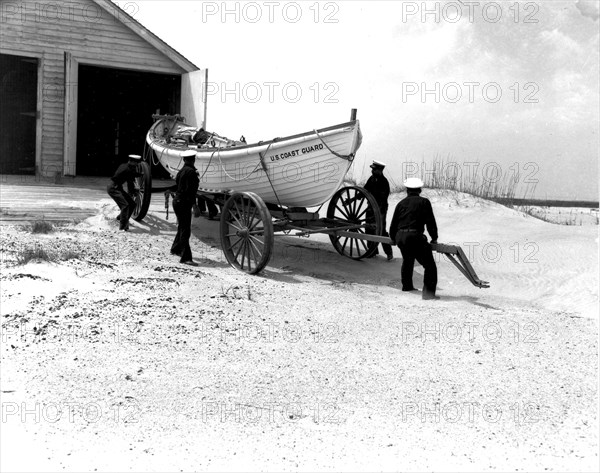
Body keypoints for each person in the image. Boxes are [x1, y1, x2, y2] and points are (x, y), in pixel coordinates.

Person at [389, 177, 439, 300]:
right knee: (429, 265)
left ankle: (407, 286)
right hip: (414, 236)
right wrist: (434, 238)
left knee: (408, 260)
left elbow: (393, 224)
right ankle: (428, 294)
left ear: (407, 190)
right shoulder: (424, 202)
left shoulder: (401, 204)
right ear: (419, 190)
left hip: (401, 237)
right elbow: (430, 222)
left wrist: (393, 238)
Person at [171, 150, 200, 265]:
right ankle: (186, 258)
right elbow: (191, 191)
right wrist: (195, 206)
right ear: (194, 159)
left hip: (177, 201)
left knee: (182, 227)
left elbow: (178, 185)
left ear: (184, 160)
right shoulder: (192, 173)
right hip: (184, 202)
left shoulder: (181, 171)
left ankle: (176, 248)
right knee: (185, 230)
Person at [364, 160, 394, 261]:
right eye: (372, 169)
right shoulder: (371, 179)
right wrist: (354, 199)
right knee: (368, 228)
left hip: (380, 208)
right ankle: (372, 251)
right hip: (370, 208)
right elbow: (365, 191)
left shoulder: (384, 182)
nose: (372, 171)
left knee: (380, 230)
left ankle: (389, 253)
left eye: (374, 169)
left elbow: (383, 198)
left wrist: (378, 212)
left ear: (380, 170)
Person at [107, 154, 141, 231]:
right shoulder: (127, 169)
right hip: (113, 188)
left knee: (132, 204)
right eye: (135, 163)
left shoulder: (125, 165)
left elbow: (131, 176)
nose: (136, 165)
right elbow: (130, 181)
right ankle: (122, 227)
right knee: (125, 205)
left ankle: (121, 218)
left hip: (117, 187)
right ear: (131, 161)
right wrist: (133, 191)